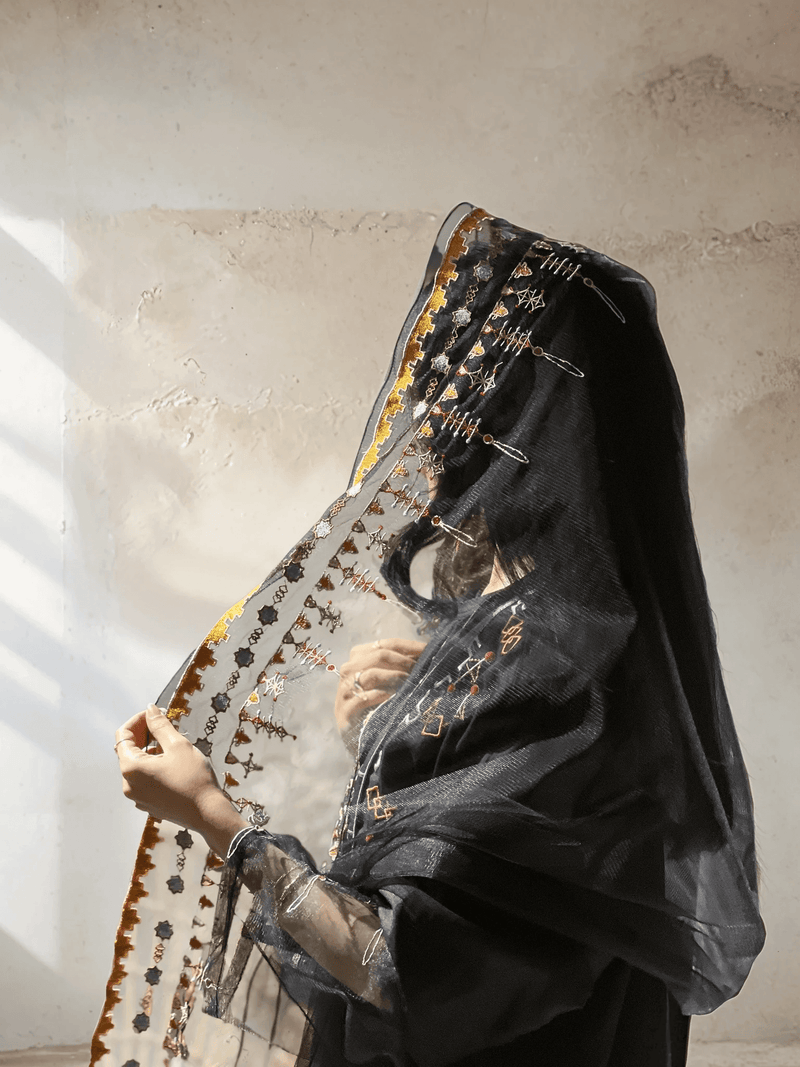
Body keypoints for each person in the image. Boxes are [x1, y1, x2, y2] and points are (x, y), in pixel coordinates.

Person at [95, 205, 765, 1066]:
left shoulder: (566, 664)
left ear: (541, 425)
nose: (439, 414)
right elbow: (481, 861)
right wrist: (390, 734)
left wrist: (215, 817)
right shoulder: (530, 611)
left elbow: (397, 965)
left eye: (475, 389)